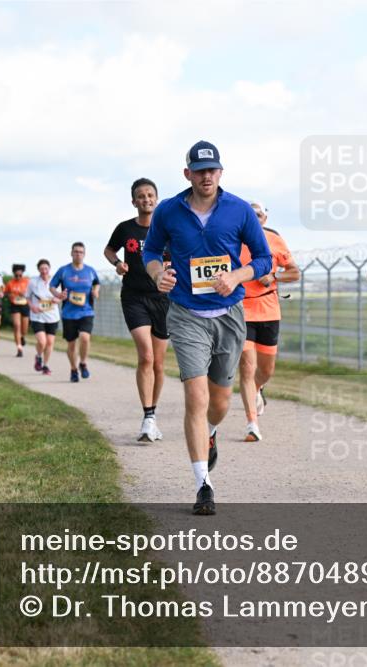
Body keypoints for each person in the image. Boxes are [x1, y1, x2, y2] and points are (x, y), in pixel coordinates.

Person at [143, 140, 272, 516]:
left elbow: (263, 259)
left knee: (220, 402)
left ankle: (211, 433)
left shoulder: (238, 211)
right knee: (196, 400)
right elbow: (151, 252)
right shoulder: (168, 210)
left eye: (212, 170)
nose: (206, 176)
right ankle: (203, 484)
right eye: (199, 171)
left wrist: (237, 275)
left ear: (220, 172)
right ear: (188, 174)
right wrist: (157, 274)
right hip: (185, 314)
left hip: (229, 314)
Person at [105, 177, 171, 443]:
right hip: (134, 297)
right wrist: (118, 264)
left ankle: (153, 415)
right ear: (134, 201)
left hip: (163, 299)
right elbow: (109, 250)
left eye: (150, 195)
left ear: (156, 198)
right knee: (145, 356)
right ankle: (148, 416)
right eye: (141, 196)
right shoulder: (125, 229)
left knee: (158, 362)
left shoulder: (166, 229)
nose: (146, 199)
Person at [237, 201, 299, 442]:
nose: (255, 218)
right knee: (246, 367)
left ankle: (258, 388)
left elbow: (294, 272)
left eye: (259, 215)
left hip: (269, 310)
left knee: (266, 370)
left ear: (264, 219)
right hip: (241, 309)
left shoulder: (274, 240)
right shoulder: (233, 239)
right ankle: (252, 423)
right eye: (250, 215)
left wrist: (273, 276)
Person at [50, 242, 99, 383]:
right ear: (71, 253)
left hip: (86, 311)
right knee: (71, 344)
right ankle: (73, 369)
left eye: (81, 252)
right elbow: (52, 285)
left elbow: (96, 282)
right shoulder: (64, 270)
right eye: (76, 251)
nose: (78, 254)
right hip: (68, 313)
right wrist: (58, 295)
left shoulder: (90, 271)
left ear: (84, 254)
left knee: (84, 338)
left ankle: (83, 363)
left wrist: (96, 290)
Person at [26, 259, 61, 375]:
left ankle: (45, 365)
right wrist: (32, 307)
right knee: (42, 342)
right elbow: (27, 297)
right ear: (38, 270)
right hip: (38, 316)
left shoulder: (55, 281)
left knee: (50, 342)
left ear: (49, 269)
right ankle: (38, 356)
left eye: (46, 268)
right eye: (41, 269)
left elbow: (62, 296)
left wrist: (58, 299)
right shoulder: (33, 282)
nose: (44, 271)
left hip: (52, 316)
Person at [4, 264, 31, 357]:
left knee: (24, 329)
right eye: (16, 275)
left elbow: (32, 292)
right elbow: (5, 293)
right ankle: (19, 348)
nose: (18, 277)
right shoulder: (10, 283)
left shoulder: (27, 281)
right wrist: (9, 295)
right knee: (16, 325)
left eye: (20, 275)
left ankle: (22, 336)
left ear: (23, 274)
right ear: (14, 274)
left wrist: (25, 294)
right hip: (14, 305)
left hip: (25, 305)